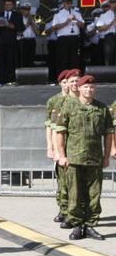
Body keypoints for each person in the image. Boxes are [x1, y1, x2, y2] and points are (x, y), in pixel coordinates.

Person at [54, 74, 112, 241]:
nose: (89, 89)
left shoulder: (101, 108)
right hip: (74, 159)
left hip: (94, 159)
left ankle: (90, 225)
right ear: (78, 88)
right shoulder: (69, 106)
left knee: (94, 195)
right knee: (75, 194)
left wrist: (106, 156)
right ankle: (78, 226)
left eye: (92, 87)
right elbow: (60, 132)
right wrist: (62, 155)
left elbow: (108, 134)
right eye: (85, 87)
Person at [51, 69, 81, 229]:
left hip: (79, 150)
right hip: (65, 149)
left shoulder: (85, 101)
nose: (75, 85)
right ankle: (65, 210)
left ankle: (76, 214)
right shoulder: (60, 103)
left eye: (77, 81)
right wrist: (56, 151)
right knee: (64, 184)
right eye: (71, 82)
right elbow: (55, 130)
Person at [46, 70, 71, 224]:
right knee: (62, 181)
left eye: (72, 81)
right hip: (60, 145)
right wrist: (51, 148)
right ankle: (63, 208)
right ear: (61, 83)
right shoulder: (54, 101)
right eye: (65, 82)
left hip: (75, 147)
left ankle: (72, 211)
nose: (68, 85)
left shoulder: (79, 100)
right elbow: (51, 128)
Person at [51, 0, 85, 76]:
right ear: (63, 3)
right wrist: (66, 22)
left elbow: (82, 25)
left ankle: (74, 76)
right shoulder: (58, 14)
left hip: (74, 38)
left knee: (74, 59)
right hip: (63, 39)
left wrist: (75, 19)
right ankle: (63, 77)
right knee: (63, 59)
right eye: (67, 2)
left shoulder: (76, 13)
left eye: (70, 2)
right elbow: (54, 27)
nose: (69, 4)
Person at [0, 0, 24, 84]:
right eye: (6, 5)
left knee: (11, 61)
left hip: (12, 42)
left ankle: (11, 80)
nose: (7, 6)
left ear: (12, 6)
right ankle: (1, 80)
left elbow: (22, 28)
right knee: (1, 61)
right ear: (4, 5)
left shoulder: (17, 15)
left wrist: (13, 26)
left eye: (9, 5)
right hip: (0, 42)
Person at [18, 3, 39, 68]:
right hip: (22, 41)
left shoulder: (32, 18)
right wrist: (28, 23)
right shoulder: (19, 19)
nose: (27, 11)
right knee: (23, 59)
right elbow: (19, 31)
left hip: (32, 40)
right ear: (21, 10)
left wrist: (32, 23)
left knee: (31, 58)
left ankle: (31, 74)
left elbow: (37, 32)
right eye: (25, 9)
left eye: (28, 9)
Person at [97, 0, 116, 66]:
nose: (114, 4)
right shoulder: (104, 15)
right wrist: (111, 23)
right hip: (110, 37)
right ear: (110, 4)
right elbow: (99, 28)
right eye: (113, 2)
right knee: (109, 57)